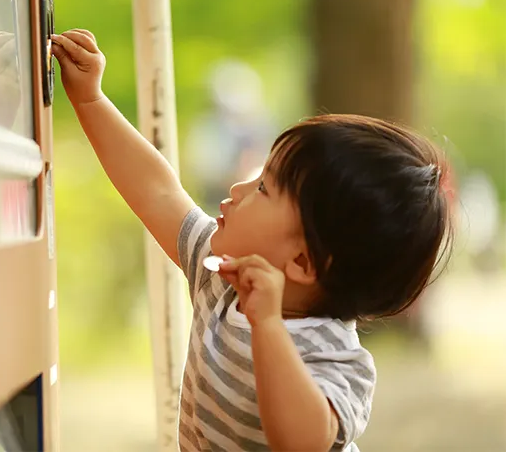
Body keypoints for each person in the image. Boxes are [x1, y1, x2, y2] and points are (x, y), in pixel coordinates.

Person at [52, 29, 453, 452]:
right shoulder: (219, 275)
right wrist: (90, 100)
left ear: (302, 262)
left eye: (264, 188)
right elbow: (158, 192)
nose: (238, 189)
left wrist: (268, 327)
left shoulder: (335, 359)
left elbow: (301, 443)